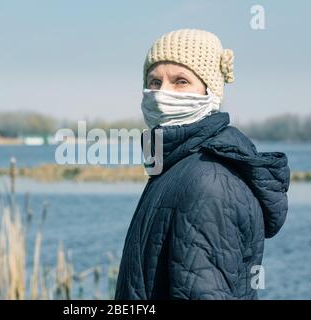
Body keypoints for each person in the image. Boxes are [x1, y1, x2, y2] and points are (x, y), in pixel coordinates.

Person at [114, 29, 290, 299]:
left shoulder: (208, 181)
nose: (162, 94)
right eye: (154, 81)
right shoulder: (178, 164)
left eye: (180, 81)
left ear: (210, 92)